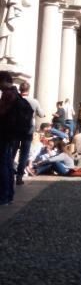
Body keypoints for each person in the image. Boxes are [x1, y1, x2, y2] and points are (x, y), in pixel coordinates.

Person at [13, 82, 45, 185]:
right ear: (28, 90)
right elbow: (41, 114)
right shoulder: (34, 101)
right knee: (24, 154)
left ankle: (8, 173)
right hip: (28, 130)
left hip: (15, 129)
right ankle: (19, 177)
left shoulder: (15, 100)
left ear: (20, 89)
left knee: (12, 152)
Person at [0, 71, 19, 204]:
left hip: (4, 133)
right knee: (7, 164)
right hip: (11, 134)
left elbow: (1, 113)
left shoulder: (7, 94)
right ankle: (9, 195)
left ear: (3, 81)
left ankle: (3, 196)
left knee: (2, 165)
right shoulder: (15, 93)